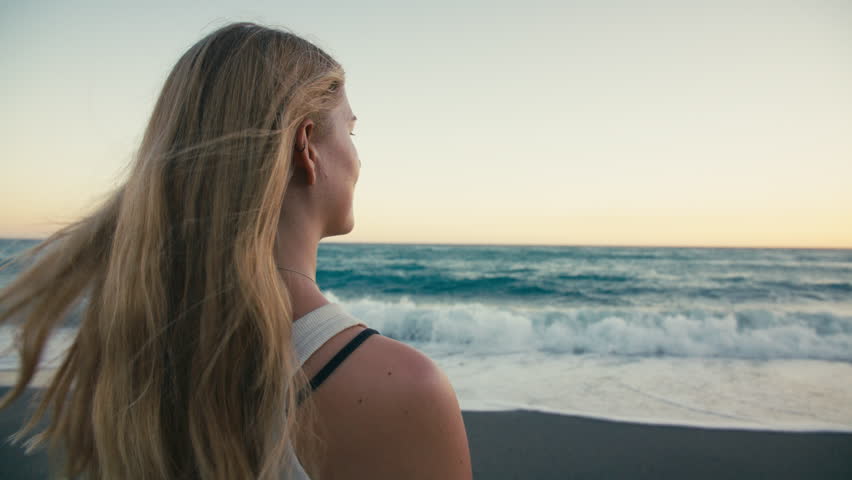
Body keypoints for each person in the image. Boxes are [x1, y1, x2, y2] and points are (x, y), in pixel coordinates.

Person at [0, 22, 472, 479]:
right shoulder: (401, 388)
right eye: (351, 132)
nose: (357, 156)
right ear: (306, 147)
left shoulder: (136, 363)